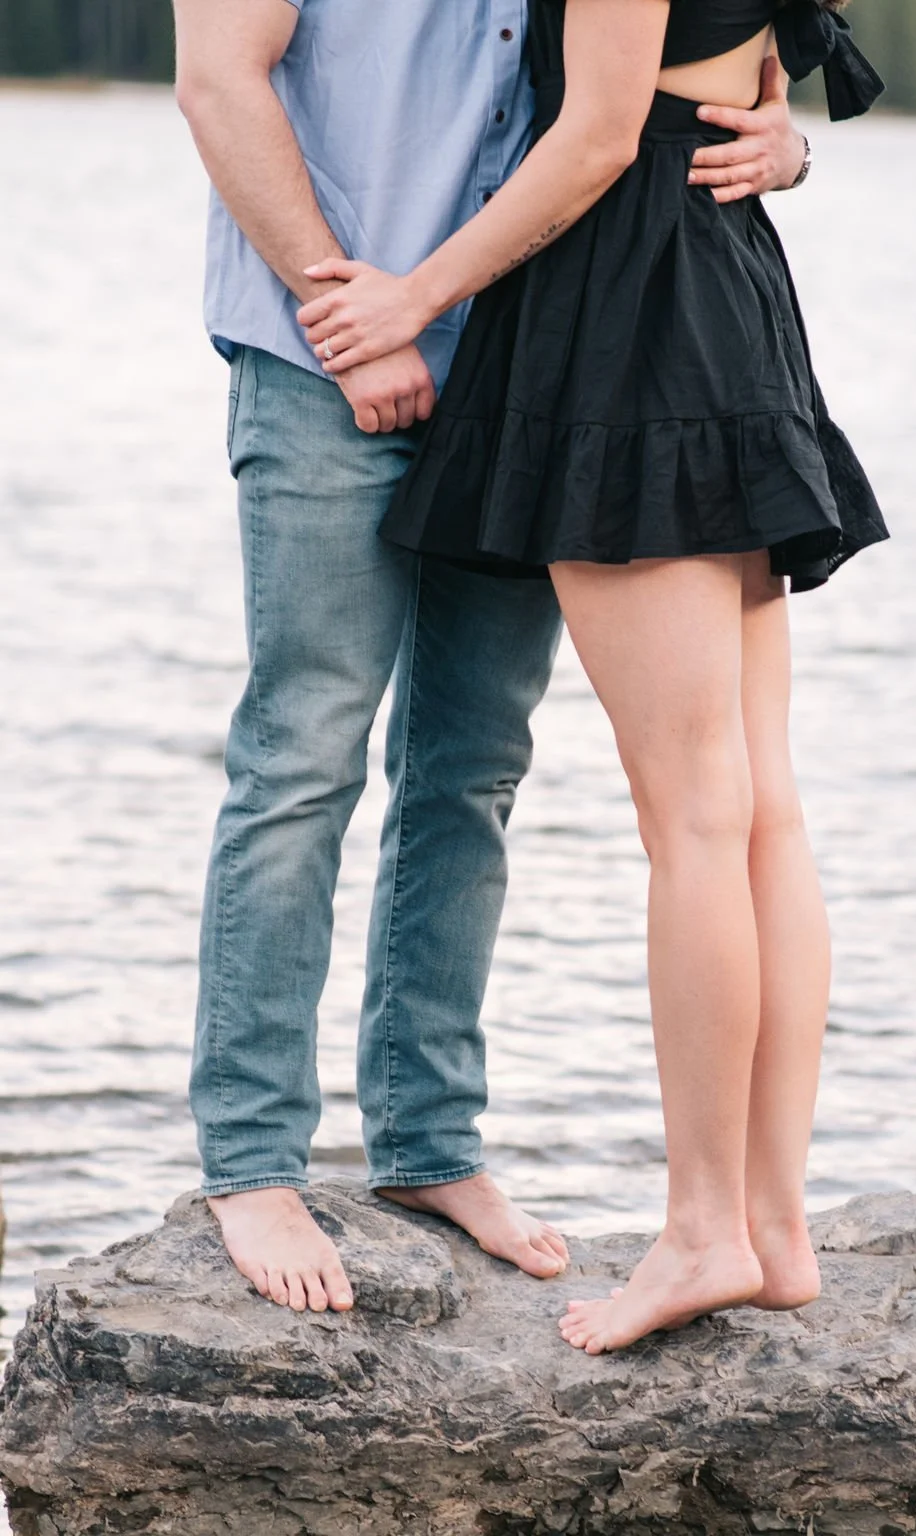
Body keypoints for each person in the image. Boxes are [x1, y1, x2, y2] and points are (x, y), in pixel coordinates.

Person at [172, 0, 818, 1317]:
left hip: (533, 356)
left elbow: (653, 84)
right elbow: (216, 85)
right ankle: (250, 1162)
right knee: (305, 749)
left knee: (471, 763)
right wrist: (344, 305)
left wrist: (779, 140)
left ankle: (426, 1143)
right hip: (329, 339)